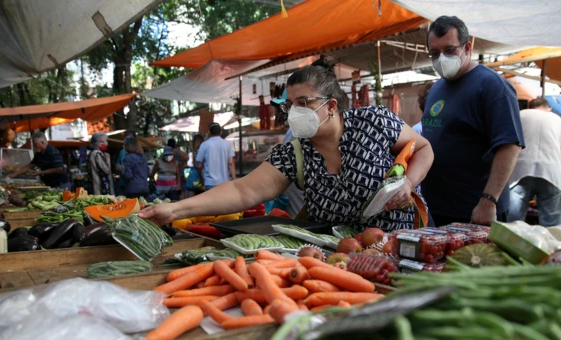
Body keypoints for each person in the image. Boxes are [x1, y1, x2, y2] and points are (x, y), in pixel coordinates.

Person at [140, 55, 434, 232]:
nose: (294, 111)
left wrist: (408, 182)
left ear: (331, 105)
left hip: (402, 250)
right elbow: (243, 189)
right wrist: (176, 210)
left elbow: (423, 148)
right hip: (340, 261)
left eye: (303, 103)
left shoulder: (374, 120)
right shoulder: (295, 153)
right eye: (290, 104)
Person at [420, 16, 525, 226]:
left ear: (467, 47)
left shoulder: (491, 86)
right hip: (438, 208)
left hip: (474, 210)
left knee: (475, 260)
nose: (441, 58)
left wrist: (489, 200)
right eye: (434, 53)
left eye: (449, 50)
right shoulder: (437, 88)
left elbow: (510, 146)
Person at [508, 98, 561, 226]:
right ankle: (552, 246)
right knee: (552, 224)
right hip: (551, 173)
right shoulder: (557, 119)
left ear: (529, 107)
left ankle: (508, 245)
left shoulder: (519, 115)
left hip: (519, 171)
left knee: (512, 223)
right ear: (549, 108)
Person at [271, 89, 305, 218]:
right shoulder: (293, 130)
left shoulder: (299, 131)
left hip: (299, 207)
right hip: (293, 204)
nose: (287, 111)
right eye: (286, 106)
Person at [195, 123, 236, 190]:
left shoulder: (204, 145)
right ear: (221, 132)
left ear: (209, 132)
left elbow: (199, 165)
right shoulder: (227, 144)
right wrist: (234, 179)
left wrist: (201, 179)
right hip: (225, 182)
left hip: (210, 182)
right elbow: (230, 163)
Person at [115, 130, 136, 196]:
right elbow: (117, 164)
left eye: (130, 139)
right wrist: (118, 168)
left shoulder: (137, 152)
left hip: (134, 184)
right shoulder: (122, 152)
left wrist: (124, 169)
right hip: (123, 184)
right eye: (126, 139)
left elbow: (139, 169)